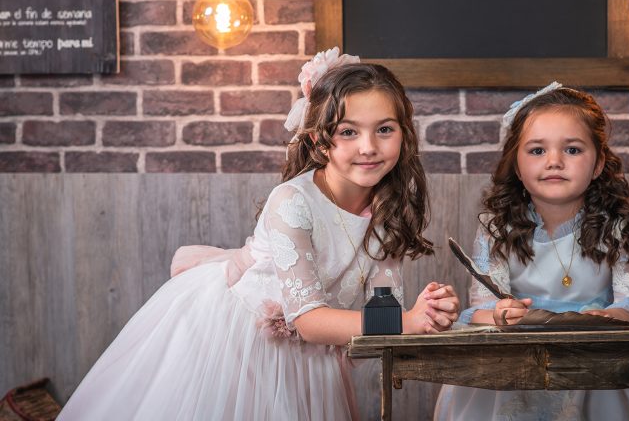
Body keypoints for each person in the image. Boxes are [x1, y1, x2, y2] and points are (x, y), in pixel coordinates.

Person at [59, 48, 460, 421]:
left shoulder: (387, 211)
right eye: (349, 132)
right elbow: (309, 321)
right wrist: (408, 321)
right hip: (237, 341)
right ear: (320, 139)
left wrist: (428, 312)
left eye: (384, 129)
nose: (369, 147)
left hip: (310, 359)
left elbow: (383, 310)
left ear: (404, 134)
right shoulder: (292, 202)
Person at [434, 82, 629, 421]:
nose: (554, 162)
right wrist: (502, 314)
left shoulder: (618, 224)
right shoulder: (496, 227)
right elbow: (482, 308)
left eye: (572, 150)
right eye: (537, 151)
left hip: (597, 361)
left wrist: (613, 317)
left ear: (599, 163)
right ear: (515, 164)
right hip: (515, 364)